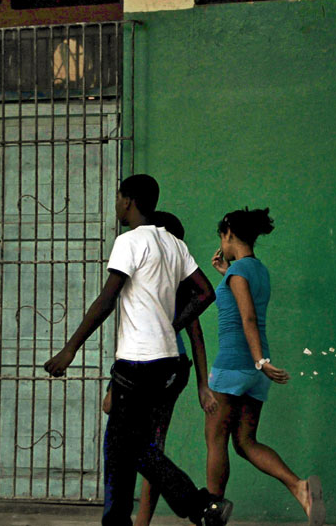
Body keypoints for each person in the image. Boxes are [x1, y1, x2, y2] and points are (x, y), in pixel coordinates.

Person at [43, 174, 233, 526]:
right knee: (120, 448)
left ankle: (201, 506)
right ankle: (119, 521)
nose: (116, 204)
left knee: (129, 448)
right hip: (168, 365)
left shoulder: (128, 241)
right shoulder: (174, 244)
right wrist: (173, 324)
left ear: (128, 200)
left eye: (118, 197)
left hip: (138, 364)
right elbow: (206, 292)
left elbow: (107, 299)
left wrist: (71, 349)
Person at [205, 207, 325, 526]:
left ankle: (212, 513)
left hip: (234, 364)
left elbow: (247, 318)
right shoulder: (257, 270)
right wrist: (260, 364)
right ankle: (299, 487)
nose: (222, 242)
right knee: (245, 442)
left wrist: (260, 360)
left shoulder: (239, 272)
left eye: (221, 236)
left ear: (228, 232)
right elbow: (245, 301)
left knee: (216, 439)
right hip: (256, 372)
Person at [101, 211, 217, 526]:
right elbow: (196, 336)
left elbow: (192, 333)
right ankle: (158, 516)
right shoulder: (177, 282)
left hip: (146, 368)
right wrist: (201, 384)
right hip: (171, 372)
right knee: (145, 447)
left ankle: (195, 506)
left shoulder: (155, 278)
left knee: (134, 448)